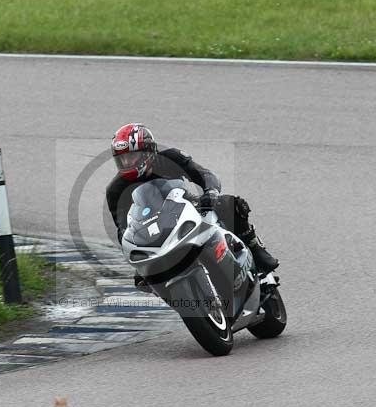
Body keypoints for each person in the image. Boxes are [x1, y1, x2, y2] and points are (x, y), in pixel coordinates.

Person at [106, 123, 279, 287]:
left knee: (230, 204)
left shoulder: (170, 158)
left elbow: (205, 175)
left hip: (185, 208)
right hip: (152, 229)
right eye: (122, 159)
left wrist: (210, 193)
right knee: (144, 279)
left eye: (131, 156)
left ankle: (255, 249)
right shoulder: (115, 190)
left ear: (147, 151)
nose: (127, 163)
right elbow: (122, 228)